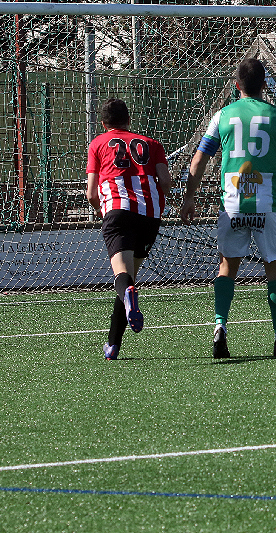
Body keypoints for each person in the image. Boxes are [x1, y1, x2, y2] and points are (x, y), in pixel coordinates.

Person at [179, 58, 276, 359]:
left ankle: (220, 326)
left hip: (232, 202)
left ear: (236, 86)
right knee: (274, 269)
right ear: (264, 86)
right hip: (267, 202)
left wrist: (189, 197)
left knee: (227, 267)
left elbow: (198, 161)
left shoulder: (222, 115)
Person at [86, 97, 171, 360]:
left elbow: (91, 192)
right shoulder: (152, 143)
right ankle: (113, 345)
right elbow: (165, 181)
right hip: (149, 214)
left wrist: (102, 211)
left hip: (118, 211)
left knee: (122, 278)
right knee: (128, 279)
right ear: (129, 120)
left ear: (103, 123)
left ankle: (116, 335)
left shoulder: (98, 143)